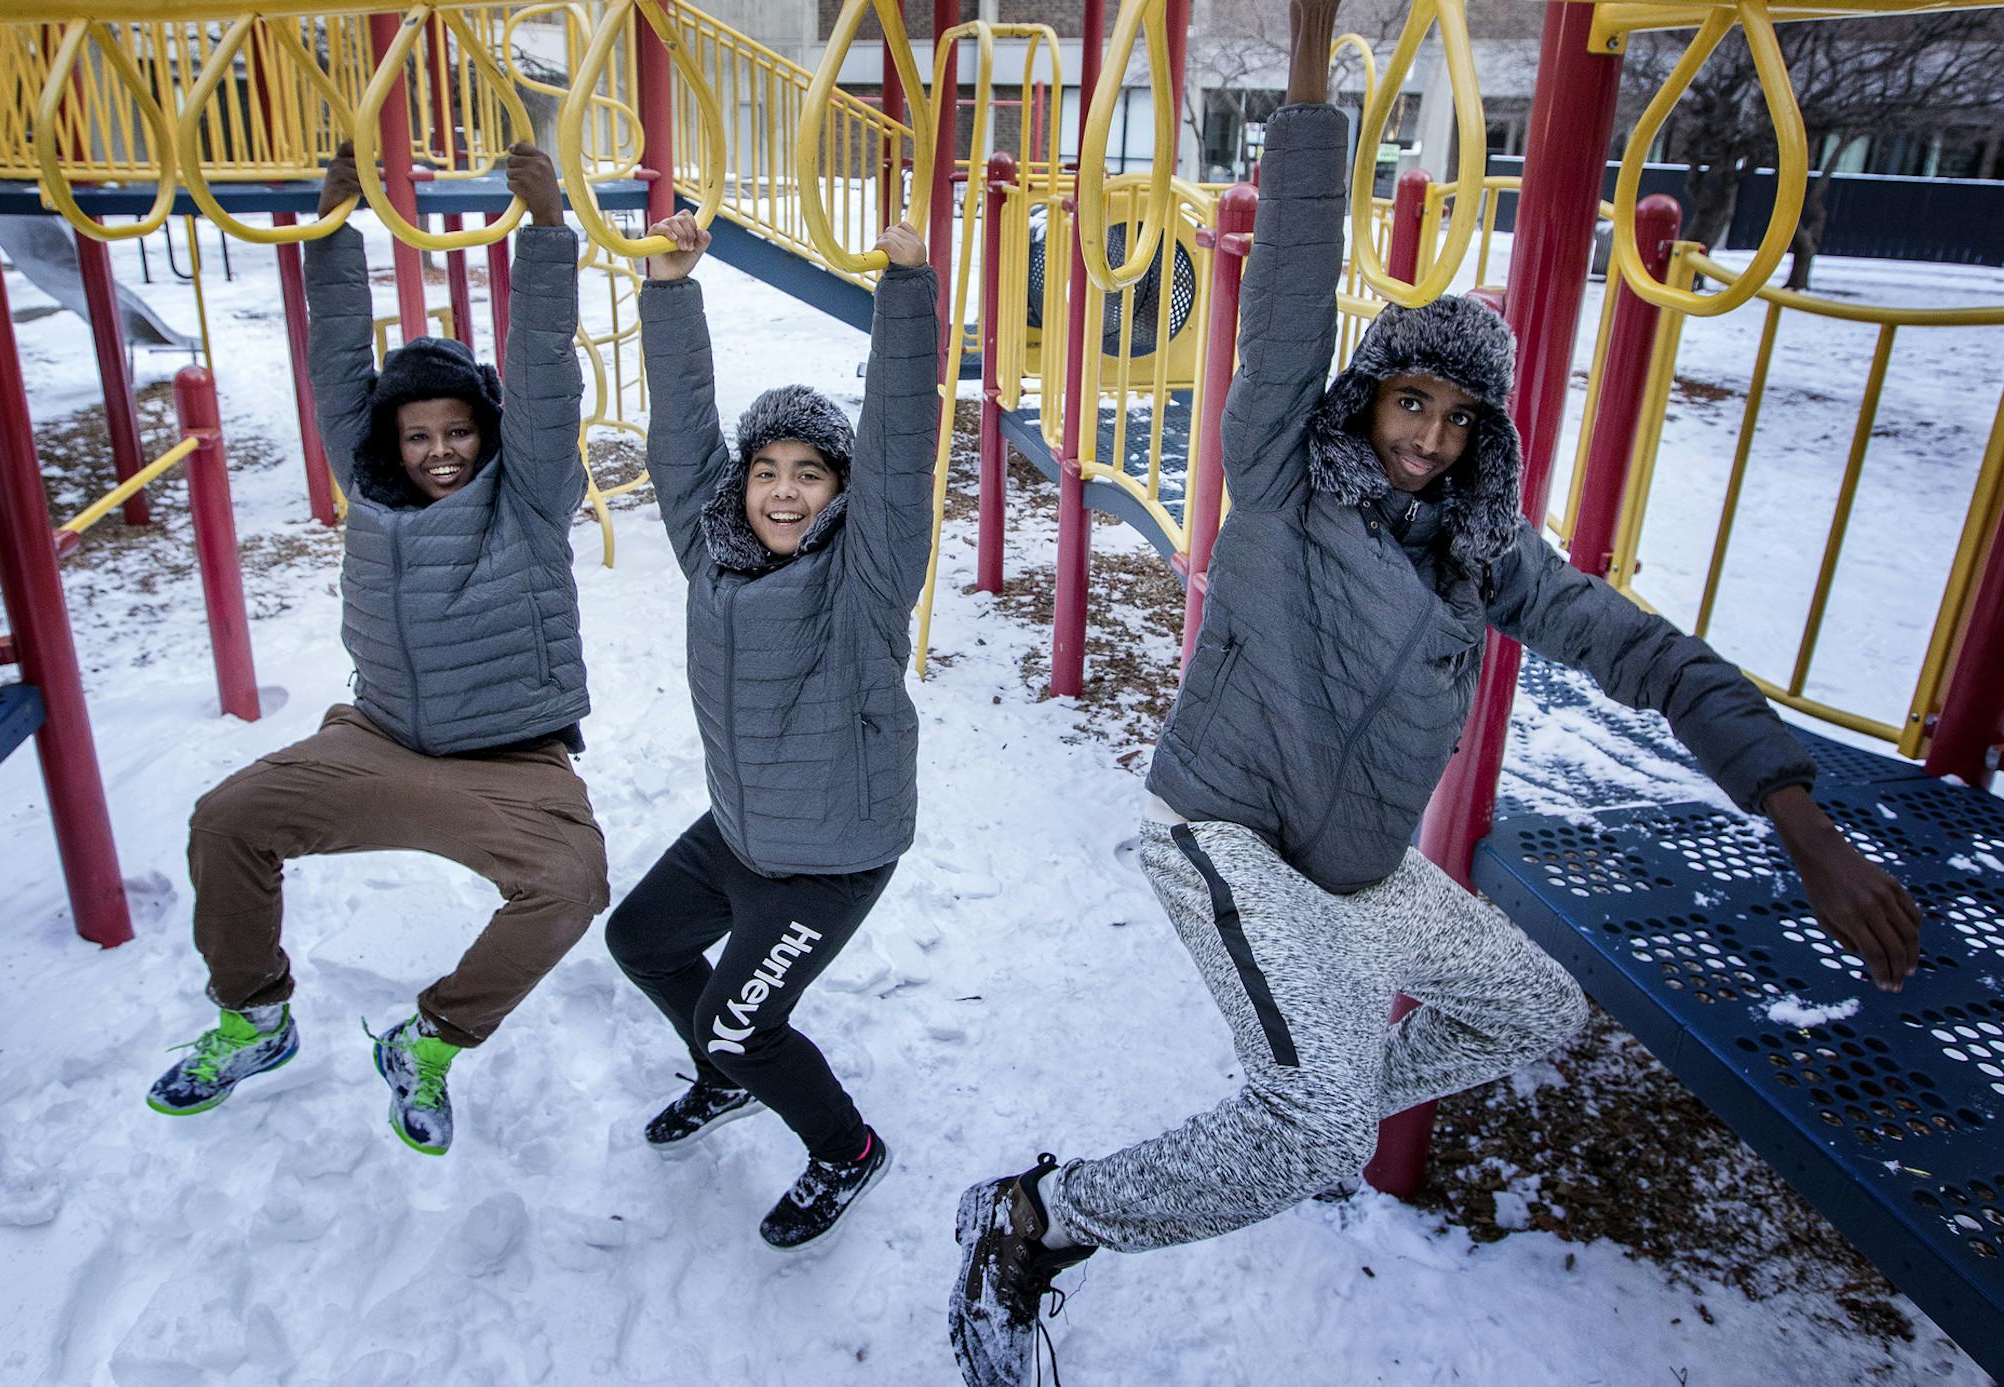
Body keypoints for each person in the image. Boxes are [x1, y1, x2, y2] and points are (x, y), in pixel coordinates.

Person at [947, 1, 1924, 1377]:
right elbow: (1286, 289)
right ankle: (1042, 1216)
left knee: (1534, 1010)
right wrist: (1303, 90)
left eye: (1461, 420)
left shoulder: (1487, 556)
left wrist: (1797, 812)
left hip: (1353, 871)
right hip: (1220, 829)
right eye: (1414, 403)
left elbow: (1652, 655)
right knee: (1322, 1122)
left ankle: (1300, 1107)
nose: (1430, 438)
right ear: (1368, 396)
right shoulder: (1283, 477)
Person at [146, 143, 609, 1158]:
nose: (439, 449)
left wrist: (544, 234)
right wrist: (330, 224)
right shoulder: (371, 498)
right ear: (386, 448)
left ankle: (432, 1039)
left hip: (513, 762)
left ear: (486, 435)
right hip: (381, 741)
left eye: (458, 431)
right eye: (416, 436)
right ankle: (254, 1019)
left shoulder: (528, 499)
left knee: (571, 883)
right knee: (228, 819)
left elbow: (539, 381)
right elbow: (336, 361)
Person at [604, 212, 937, 1249]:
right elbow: (679, 439)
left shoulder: (864, 581)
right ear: (741, 485)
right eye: (767, 470)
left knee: (740, 1021)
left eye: (811, 473)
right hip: (743, 833)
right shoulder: (713, 558)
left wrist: (908, 293)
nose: (784, 490)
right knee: (641, 939)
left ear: (839, 493)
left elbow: (900, 446)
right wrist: (667, 290)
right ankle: (728, 1077)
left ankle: (847, 1149)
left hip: (830, 857)